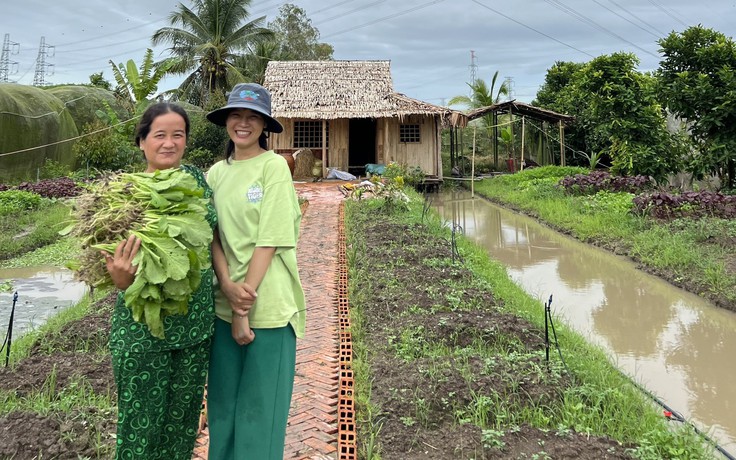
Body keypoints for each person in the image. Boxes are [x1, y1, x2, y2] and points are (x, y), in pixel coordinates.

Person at [103, 102, 217, 460]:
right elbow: (107, 262)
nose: (169, 143)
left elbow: (211, 240)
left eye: (178, 135)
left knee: (182, 427)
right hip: (143, 330)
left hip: (195, 325)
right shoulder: (123, 194)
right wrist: (119, 279)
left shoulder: (197, 179)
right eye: (160, 135)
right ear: (142, 141)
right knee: (141, 430)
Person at [204, 83, 306, 460]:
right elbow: (211, 236)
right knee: (224, 413)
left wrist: (242, 309)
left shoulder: (274, 167)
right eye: (236, 115)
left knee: (260, 417)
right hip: (223, 304)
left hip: (269, 310)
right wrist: (228, 287)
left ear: (265, 126)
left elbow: (271, 237)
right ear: (226, 122)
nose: (243, 123)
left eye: (252, 117)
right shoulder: (215, 174)